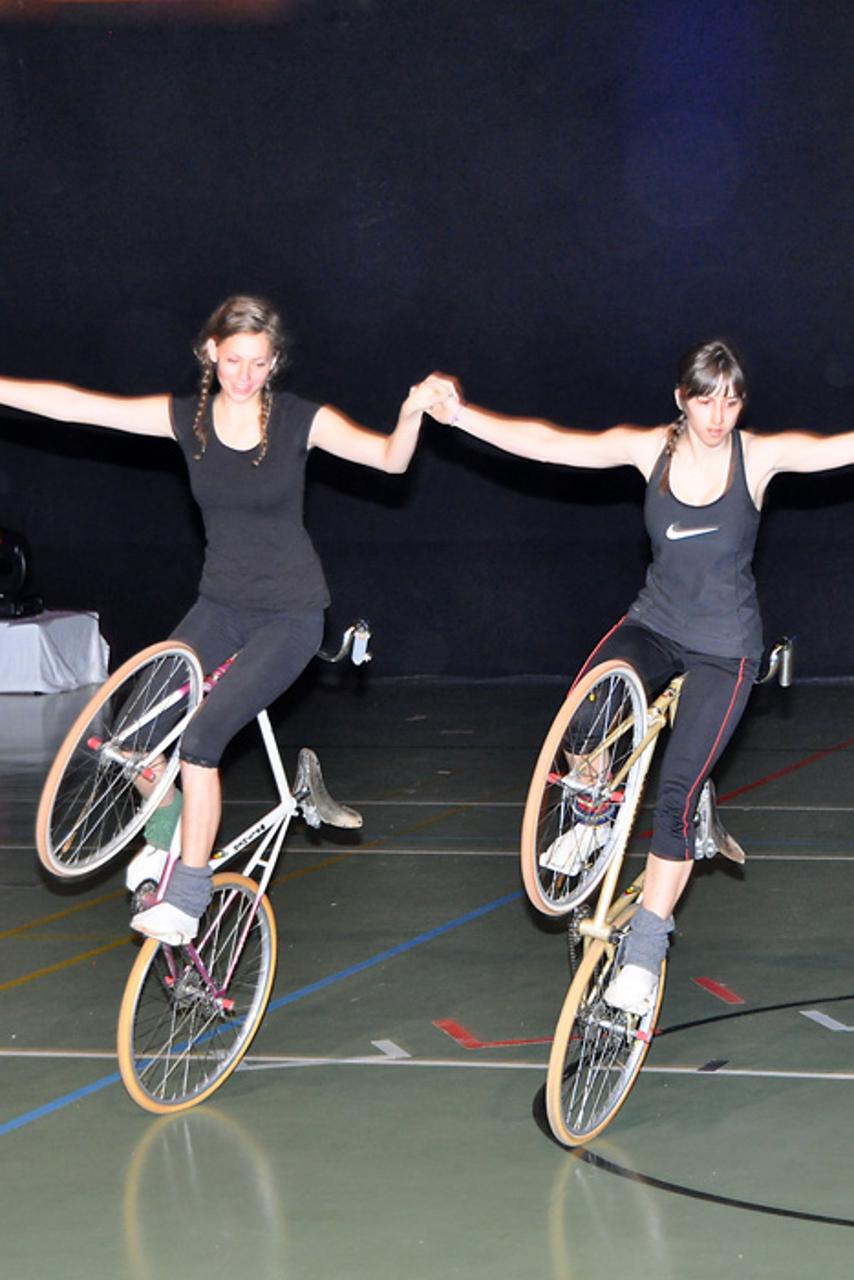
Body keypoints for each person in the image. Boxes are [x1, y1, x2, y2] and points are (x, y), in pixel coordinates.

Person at [0, 294, 457, 944]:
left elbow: (391, 459)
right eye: (234, 359)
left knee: (200, 742)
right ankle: (167, 835)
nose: (245, 375)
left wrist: (410, 413)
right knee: (132, 735)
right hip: (218, 608)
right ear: (211, 352)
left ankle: (188, 897)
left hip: (290, 617)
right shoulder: (186, 421)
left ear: (274, 363)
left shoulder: (300, 421)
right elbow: (76, 405)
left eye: (259, 363)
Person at [431, 338, 854, 1015]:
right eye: (706, 400)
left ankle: (646, 950)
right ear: (681, 399)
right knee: (586, 710)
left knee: (675, 797)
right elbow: (551, 444)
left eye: (731, 402)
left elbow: (840, 448)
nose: (718, 416)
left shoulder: (758, 457)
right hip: (655, 625)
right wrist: (459, 415)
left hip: (725, 651)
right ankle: (594, 814)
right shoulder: (648, 448)